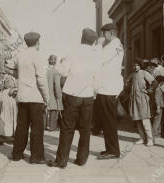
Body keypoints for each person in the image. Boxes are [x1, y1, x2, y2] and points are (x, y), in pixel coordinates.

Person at [48, 28, 100, 168]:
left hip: (72, 94)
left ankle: (61, 161)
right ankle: (82, 159)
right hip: (88, 96)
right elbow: (98, 79)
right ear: (93, 41)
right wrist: (92, 90)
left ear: (82, 38)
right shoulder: (96, 55)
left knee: (67, 128)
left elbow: (61, 71)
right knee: (85, 128)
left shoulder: (73, 51)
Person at [6, 32, 49, 164]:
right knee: (37, 128)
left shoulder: (19, 55)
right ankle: (36, 157)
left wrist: (20, 75)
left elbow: (7, 67)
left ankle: (17, 154)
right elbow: (41, 79)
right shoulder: (38, 56)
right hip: (35, 97)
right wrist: (46, 97)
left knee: (21, 126)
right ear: (37, 42)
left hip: (22, 96)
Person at [96, 23, 124, 160]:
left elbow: (101, 61)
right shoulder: (111, 45)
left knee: (109, 122)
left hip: (109, 89)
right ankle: (110, 149)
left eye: (104, 33)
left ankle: (113, 151)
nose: (102, 36)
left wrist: (99, 45)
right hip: (106, 88)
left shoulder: (114, 46)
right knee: (106, 121)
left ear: (112, 33)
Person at [128, 57, 155, 146]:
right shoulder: (132, 74)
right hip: (134, 99)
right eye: (134, 65)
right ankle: (142, 138)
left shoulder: (144, 73)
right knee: (137, 119)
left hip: (142, 98)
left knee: (145, 119)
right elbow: (127, 82)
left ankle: (150, 139)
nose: (136, 67)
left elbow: (154, 82)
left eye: (137, 65)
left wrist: (150, 90)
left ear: (140, 65)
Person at [0, 75, 18, 145]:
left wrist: (14, 89)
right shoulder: (4, 77)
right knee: (2, 118)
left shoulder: (14, 78)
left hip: (10, 103)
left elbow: (15, 90)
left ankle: (13, 135)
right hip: (3, 103)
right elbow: (0, 89)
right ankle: (1, 135)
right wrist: (0, 85)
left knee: (10, 119)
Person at [45, 55, 63, 131]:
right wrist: (59, 96)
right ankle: (52, 127)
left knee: (44, 110)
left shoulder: (44, 71)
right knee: (53, 109)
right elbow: (57, 86)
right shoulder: (56, 72)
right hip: (52, 95)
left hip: (44, 94)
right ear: (55, 62)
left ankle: (44, 126)